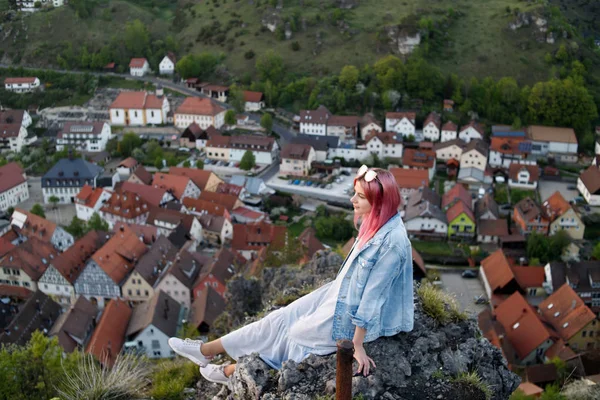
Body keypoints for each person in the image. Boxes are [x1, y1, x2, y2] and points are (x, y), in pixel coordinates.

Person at [169, 165, 414, 385]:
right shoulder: (377, 221)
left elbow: (371, 299)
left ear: (380, 202)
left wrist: (357, 345)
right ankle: (205, 350)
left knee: (297, 335)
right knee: (281, 318)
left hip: (351, 315)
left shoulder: (392, 243)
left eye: (360, 196)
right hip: (339, 294)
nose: (352, 199)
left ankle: (231, 371)